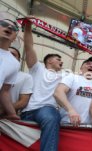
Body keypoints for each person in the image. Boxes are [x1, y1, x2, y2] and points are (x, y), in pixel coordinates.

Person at [20, 19, 63, 151]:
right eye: (58, 59)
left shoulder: (65, 76)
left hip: (47, 112)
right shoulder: (37, 68)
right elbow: (28, 47)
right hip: (31, 110)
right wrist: (28, 26)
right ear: (49, 61)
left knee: (53, 115)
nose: (61, 61)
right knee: (52, 116)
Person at [54, 57, 92, 127]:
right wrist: (71, 110)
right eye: (88, 64)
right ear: (81, 69)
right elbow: (58, 92)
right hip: (67, 123)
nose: (91, 65)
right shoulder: (72, 77)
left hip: (88, 127)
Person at [0, 15, 20, 120]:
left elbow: (5, 91)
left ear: (14, 38)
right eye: (4, 24)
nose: (9, 28)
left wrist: (12, 113)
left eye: (14, 28)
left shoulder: (14, 63)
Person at [8, 47, 33, 113]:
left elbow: (23, 102)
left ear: (19, 60)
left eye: (13, 54)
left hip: (7, 117)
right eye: (6, 53)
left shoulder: (25, 77)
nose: (9, 55)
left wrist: (3, 110)